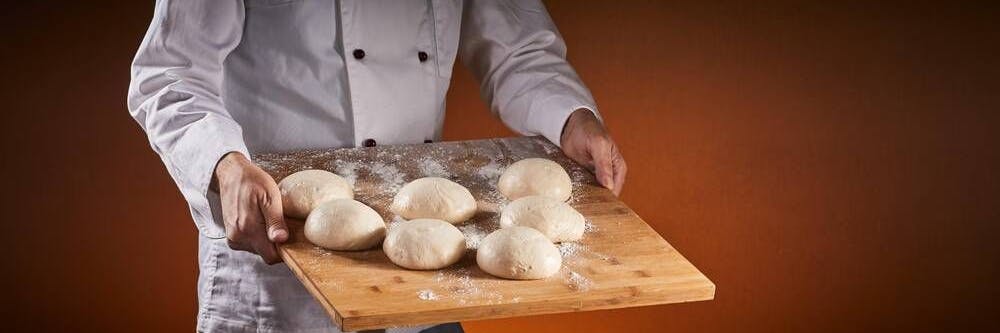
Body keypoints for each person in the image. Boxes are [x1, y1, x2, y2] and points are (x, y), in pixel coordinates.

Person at [127, 0, 627, 332]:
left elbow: (517, 49)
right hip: (276, 263)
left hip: (423, 273)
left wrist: (571, 117)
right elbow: (168, 74)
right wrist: (224, 163)